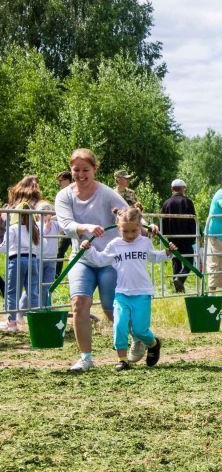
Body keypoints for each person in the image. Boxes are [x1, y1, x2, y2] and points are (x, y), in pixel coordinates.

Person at [55, 148, 132, 372]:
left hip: (108, 259)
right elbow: (65, 224)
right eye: (76, 169)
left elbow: (127, 214)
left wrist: (146, 227)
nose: (80, 174)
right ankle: (86, 358)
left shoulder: (107, 193)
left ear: (94, 170)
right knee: (79, 304)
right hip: (82, 257)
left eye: (85, 170)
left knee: (111, 310)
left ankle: (138, 337)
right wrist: (85, 227)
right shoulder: (64, 196)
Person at [80, 206, 173, 371]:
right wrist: (88, 250)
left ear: (139, 227)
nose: (130, 235)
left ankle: (153, 344)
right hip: (122, 293)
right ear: (118, 228)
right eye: (125, 231)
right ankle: (122, 360)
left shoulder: (145, 242)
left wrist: (168, 252)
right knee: (119, 325)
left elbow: (154, 256)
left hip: (142, 293)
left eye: (133, 231)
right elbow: (100, 260)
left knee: (140, 330)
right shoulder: (115, 245)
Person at [0, 202, 41, 332]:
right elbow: (39, 245)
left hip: (16, 259)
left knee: (12, 292)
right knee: (33, 292)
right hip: (32, 259)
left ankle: (11, 323)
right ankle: (36, 321)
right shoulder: (34, 229)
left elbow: (5, 247)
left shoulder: (13, 228)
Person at [19, 201, 61, 312]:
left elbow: (65, 223)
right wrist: (46, 226)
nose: (45, 213)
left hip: (52, 259)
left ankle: (44, 308)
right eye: (42, 210)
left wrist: (57, 217)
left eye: (48, 210)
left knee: (47, 286)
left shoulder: (56, 225)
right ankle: (21, 308)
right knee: (35, 285)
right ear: (37, 213)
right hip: (38, 259)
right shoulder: (36, 225)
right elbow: (41, 235)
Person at [160, 179, 197, 293]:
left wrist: (164, 235)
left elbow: (162, 221)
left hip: (172, 238)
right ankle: (180, 278)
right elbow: (193, 220)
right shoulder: (187, 202)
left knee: (176, 261)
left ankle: (178, 288)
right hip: (186, 237)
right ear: (183, 189)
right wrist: (196, 235)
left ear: (172, 189)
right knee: (189, 260)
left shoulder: (166, 203)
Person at [55, 171, 73, 277]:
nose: (59, 183)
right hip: (66, 228)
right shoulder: (62, 192)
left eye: (61, 181)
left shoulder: (73, 191)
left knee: (78, 252)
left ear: (67, 180)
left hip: (74, 227)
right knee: (60, 251)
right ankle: (57, 275)